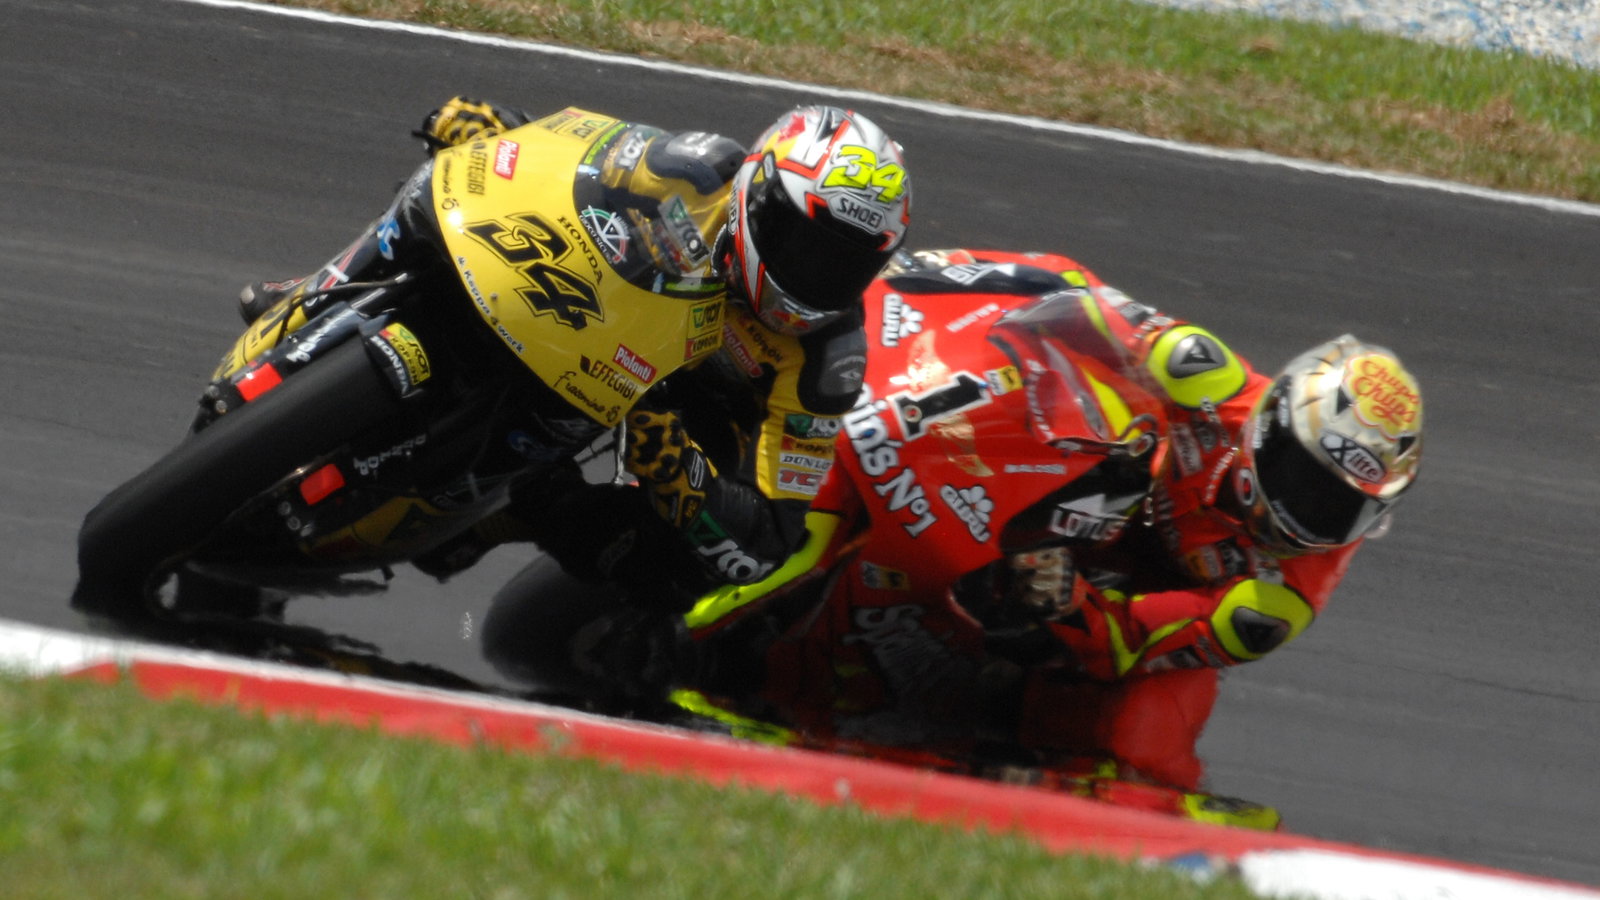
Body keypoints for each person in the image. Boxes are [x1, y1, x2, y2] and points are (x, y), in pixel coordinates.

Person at [661, 247, 1423, 801]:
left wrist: (1065, 607)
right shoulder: (1208, 374)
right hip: (1089, 505)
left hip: (1125, 605)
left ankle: (1049, 831)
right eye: (1301, 477)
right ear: (1272, 422)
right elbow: (1074, 295)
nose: (1303, 515)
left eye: (1339, 509)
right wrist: (924, 293)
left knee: (1142, 756)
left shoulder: (1275, 604)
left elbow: (1128, 642)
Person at [239, 97, 912, 612]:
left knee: (666, 576)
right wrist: (504, 135)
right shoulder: (697, 167)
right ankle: (320, 286)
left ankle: (512, 509)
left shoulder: (826, 364)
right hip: (590, 319)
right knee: (436, 189)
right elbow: (580, 162)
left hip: (667, 418)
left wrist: (687, 479)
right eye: (799, 242)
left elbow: (769, 542)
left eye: (842, 266)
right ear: (755, 193)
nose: (813, 274)